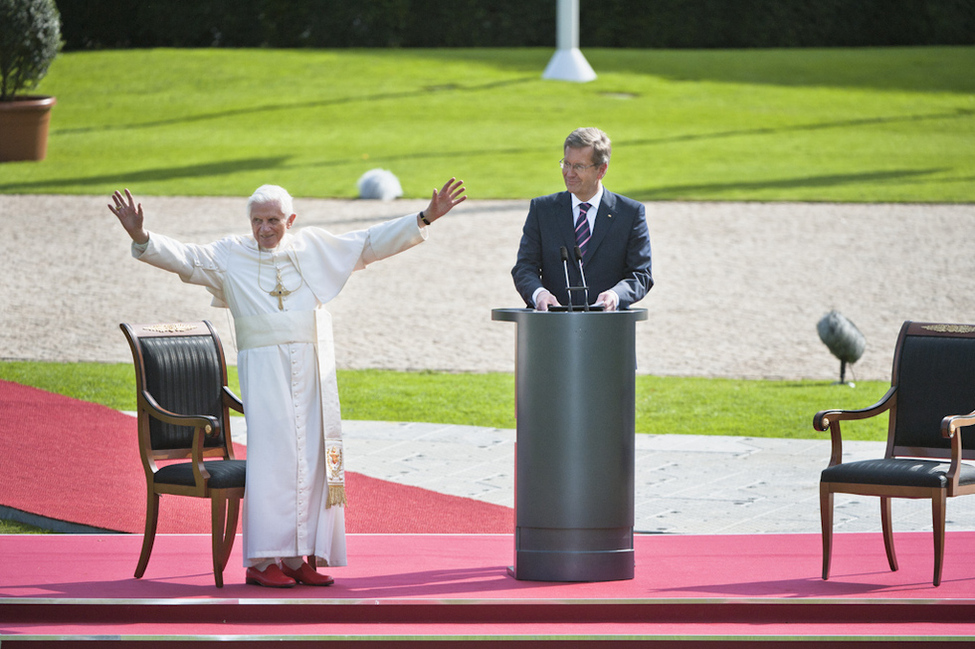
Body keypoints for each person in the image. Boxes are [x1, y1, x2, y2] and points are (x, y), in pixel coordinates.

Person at [110, 179, 466, 588]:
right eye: (257, 220)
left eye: (273, 220)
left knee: (313, 462)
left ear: (290, 220)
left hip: (313, 369)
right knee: (275, 463)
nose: (264, 228)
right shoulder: (230, 254)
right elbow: (185, 258)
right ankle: (262, 563)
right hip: (265, 372)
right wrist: (142, 235)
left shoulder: (312, 247)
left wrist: (423, 218)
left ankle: (297, 557)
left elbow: (368, 243)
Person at [511, 127, 652, 311]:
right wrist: (539, 293)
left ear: (601, 170)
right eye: (566, 164)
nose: (569, 173)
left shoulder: (630, 214)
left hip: (607, 327)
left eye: (578, 166)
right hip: (552, 324)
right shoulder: (542, 210)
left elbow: (641, 274)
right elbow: (524, 267)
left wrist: (615, 295)